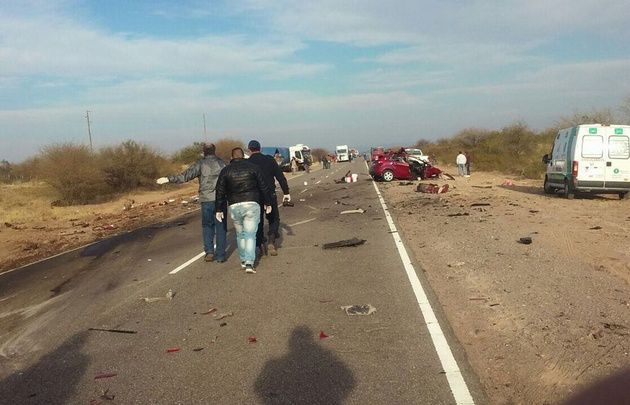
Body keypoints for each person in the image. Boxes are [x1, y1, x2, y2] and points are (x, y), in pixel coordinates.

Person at [156, 143, 226, 263]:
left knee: (207, 226)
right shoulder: (222, 163)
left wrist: (168, 179)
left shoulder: (200, 164)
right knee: (221, 226)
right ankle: (220, 255)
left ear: (204, 151)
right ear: (214, 151)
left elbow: (185, 176)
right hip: (221, 199)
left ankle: (209, 252)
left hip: (206, 199)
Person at [215, 147, 272, 274]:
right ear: (244, 156)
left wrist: (218, 209)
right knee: (250, 235)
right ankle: (249, 263)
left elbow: (220, 191)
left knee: (240, 234)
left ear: (232, 157)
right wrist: (267, 202)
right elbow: (263, 186)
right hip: (252, 203)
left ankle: (243, 260)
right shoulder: (254, 168)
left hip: (234, 205)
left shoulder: (225, 170)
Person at [246, 140, 290, 257]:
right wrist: (286, 192)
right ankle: (271, 240)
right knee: (274, 218)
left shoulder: (247, 163)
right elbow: (280, 177)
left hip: (255, 196)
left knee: (257, 221)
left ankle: (260, 243)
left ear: (249, 150)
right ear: (260, 149)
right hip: (270, 194)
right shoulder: (269, 160)